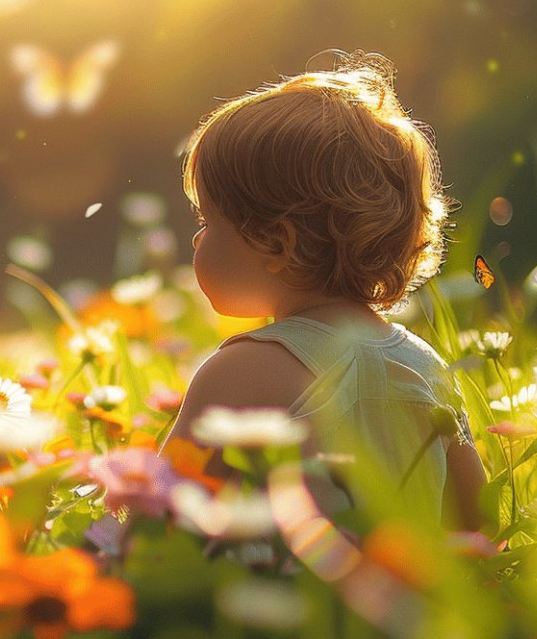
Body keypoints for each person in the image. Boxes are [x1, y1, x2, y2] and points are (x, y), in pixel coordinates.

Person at [162, 50, 486, 532]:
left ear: (276, 242)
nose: (196, 239)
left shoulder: (243, 371)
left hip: (285, 604)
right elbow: (476, 520)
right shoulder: (424, 366)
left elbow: (158, 511)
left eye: (208, 220)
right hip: (411, 600)